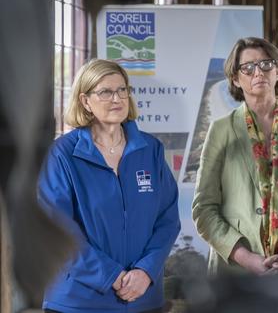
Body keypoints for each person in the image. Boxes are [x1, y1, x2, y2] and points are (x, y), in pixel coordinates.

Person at [38, 59, 181, 313]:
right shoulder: (62, 154)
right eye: (105, 92)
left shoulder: (151, 150)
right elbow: (56, 228)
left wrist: (145, 271)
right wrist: (110, 275)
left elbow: (167, 219)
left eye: (122, 90)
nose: (117, 98)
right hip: (79, 301)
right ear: (85, 101)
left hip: (142, 298)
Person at [192, 37, 278, 276]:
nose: (258, 72)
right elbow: (204, 208)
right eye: (247, 68)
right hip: (236, 273)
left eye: (266, 64)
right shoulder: (221, 130)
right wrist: (247, 258)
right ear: (236, 80)